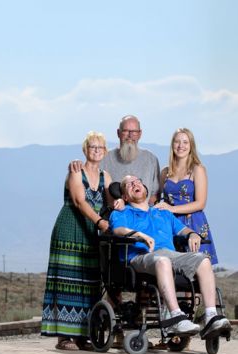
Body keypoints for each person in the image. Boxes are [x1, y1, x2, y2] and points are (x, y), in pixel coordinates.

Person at [109, 175, 231, 338]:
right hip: (140, 256)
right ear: (124, 196)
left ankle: (211, 317)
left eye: (138, 181)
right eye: (129, 185)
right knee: (163, 261)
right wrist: (140, 235)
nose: (135, 184)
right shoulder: (122, 212)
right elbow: (117, 230)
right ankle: (175, 317)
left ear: (145, 189)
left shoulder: (162, 213)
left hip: (170, 254)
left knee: (203, 259)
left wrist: (193, 234)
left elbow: (182, 230)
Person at [42, 132, 113, 350]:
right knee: (67, 280)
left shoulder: (106, 177)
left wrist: (118, 205)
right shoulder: (75, 172)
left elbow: (110, 201)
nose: (96, 150)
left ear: (105, 151)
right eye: (92, 146)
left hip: (91, 233)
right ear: (85, 149)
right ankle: (64, 337)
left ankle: (84, 335)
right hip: (70, 228)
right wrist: (100, 222)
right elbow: (80, 202)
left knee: (89, 283)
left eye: (100, 147)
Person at [155, 128, 218, 264]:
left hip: (193, 223)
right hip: (170, 224)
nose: (181, 146)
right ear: (172, 145)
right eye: (177, 142)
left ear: (191, 146)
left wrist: (172, 209)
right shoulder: (165, 172)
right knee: (173, 267)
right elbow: (155, 198)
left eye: (185, 142)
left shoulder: (197, 169)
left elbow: (201, 203)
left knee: (198, 268)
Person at [70, 115, 161, 205]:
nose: (130, 135)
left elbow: (154, 196)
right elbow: (88, 173)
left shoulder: (151, 159)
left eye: (134, 131)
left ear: (140, 134)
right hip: (110, 216)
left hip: (143, 216)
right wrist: (76, 162)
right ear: (118, 133)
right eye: (125, 131)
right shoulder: (104, 157)